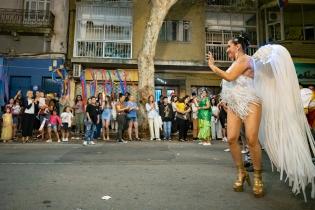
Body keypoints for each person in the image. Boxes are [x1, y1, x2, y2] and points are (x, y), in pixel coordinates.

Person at [208, 34, 263, 197]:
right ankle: (241, 172)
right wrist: (225, 100)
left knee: (251, 138)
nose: (227, 50)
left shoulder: (246, 59)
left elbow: (230, 77)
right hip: (234, 104)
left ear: (237, 46)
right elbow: (230, 84)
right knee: (231, 138)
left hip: (251, 101)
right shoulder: (234, 63)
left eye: (228, 46)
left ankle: (258, 176)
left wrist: (213, 66)